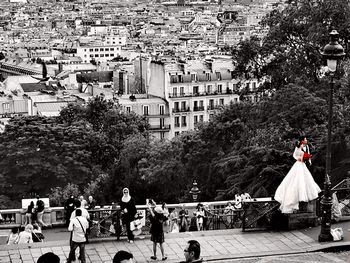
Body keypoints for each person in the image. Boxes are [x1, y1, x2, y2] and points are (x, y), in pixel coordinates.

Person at [274, 136, 321, 213]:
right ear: (302, 141)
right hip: (299, 164)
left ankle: (305, 199)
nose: (306, 140)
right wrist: (298, 158)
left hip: (304, 164)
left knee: (306, 178)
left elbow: (308, 155)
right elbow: (294, 155)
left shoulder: (307, 147)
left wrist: (308, 159)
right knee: (297, 178)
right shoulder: (298, 146)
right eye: (305, 139)